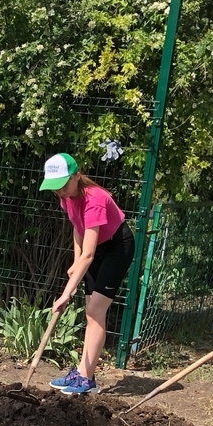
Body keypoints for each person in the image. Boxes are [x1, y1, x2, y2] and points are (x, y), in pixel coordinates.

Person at [39, 153, 136, 395]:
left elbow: (90, 254)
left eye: (62, 185)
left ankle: (86, 378)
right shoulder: (68, 197)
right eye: (55, 188)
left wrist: (65, 293)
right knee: (89, 310)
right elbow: (77, 227)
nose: (59, 192)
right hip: (95, 249)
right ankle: (83, 371)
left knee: (95, 311)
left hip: (117, 248)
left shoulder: (95, 199)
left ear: (76, 176)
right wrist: (75, 259)